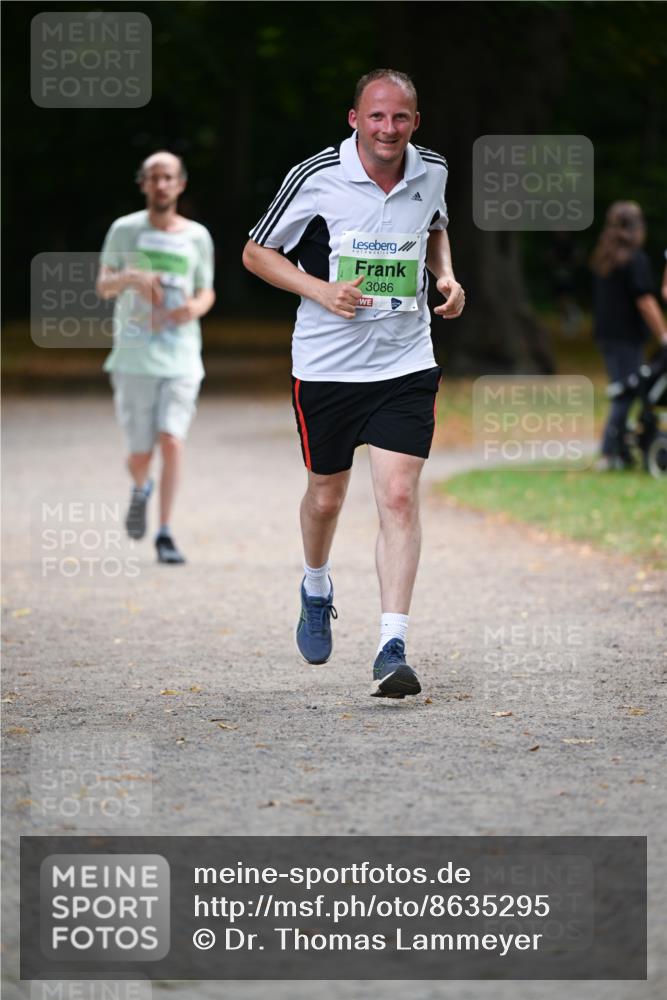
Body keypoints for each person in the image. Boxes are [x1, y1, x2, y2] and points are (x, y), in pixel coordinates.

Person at [243, 69, 464, 697]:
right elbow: (256, 252)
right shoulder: (316, 176)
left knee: (397, 497)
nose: (388, 129)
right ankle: (316, 583)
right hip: (328, 366)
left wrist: (445, 278)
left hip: (405, 360)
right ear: (354, 119)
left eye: (400, 118)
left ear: (415, 123)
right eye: (376, 117)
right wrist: (320, 290)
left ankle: (392, 645)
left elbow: (437, 227)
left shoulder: (433, 170)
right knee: (326, 497)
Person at [96, 151, 215, 562]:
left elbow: (206, 289)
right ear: (143, 184)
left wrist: (194, 309)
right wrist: (133, 276)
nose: (161, 184)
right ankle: (140, 487)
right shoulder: (124, 230)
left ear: (180, 184)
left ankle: (164, 532)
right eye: (154, 178)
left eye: (168, 177)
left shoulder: (197, 236)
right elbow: (104, 286)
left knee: (172, 440)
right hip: (133, 356)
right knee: (140, 452)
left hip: (181, 353)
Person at [590, 201, 667, 470]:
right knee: (627, 391)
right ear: (637, 227)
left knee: (624, 390)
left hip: (607, 335)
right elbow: (645, 300)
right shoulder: (635, 259)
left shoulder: (605, 258)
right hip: (626, 337)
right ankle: (609, 453)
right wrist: (664, 335)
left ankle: (619, 449)